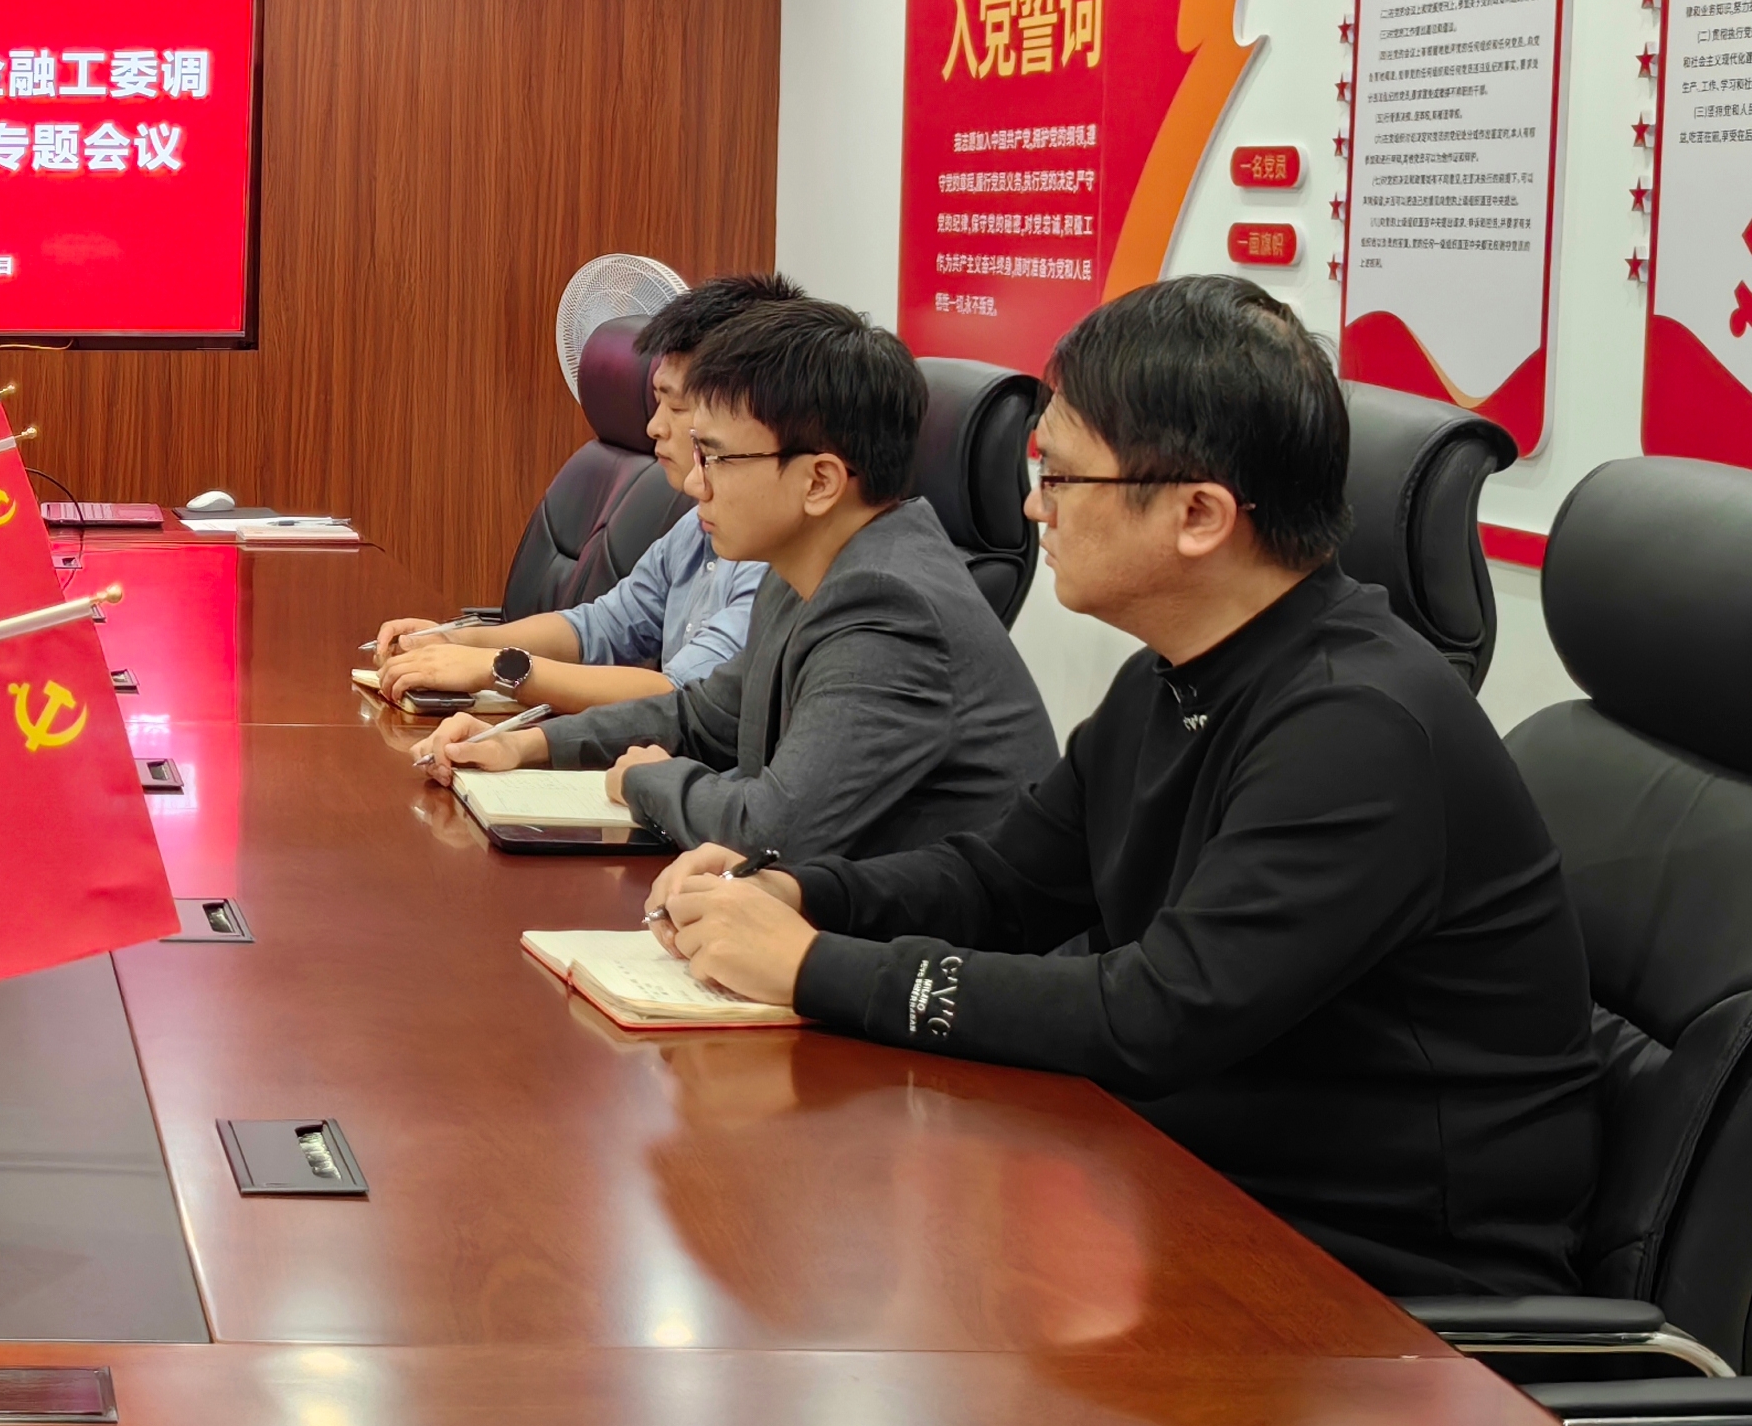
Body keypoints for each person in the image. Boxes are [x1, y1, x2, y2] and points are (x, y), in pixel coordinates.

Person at [649, 276, 1597, 1296]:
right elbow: (1001, 882)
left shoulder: (1358, 727)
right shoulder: (1174, 674)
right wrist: (802, 893)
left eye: (1059, 475)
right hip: (1191, 1183)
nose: (1032, 506)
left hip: (1376, 1277)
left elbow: (1155, 1013)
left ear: (1198, 514)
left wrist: (811, 966)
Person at [423, 298, 1054, 861]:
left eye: (719, 458)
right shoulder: (804, 569)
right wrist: (527, 744)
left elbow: (772, 829)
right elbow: (701, 718)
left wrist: (647, 779)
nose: (697, 482)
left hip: (931, 946)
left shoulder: (889, 607)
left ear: (819, 481)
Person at [371, 274, 793, 713]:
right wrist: (455, 641)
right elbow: (600, 627)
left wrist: (498, 667)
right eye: (657, 402)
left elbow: (685, 700)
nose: (654, 427)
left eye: (677, 406)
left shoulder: (774, 557)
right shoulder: (695, 526)